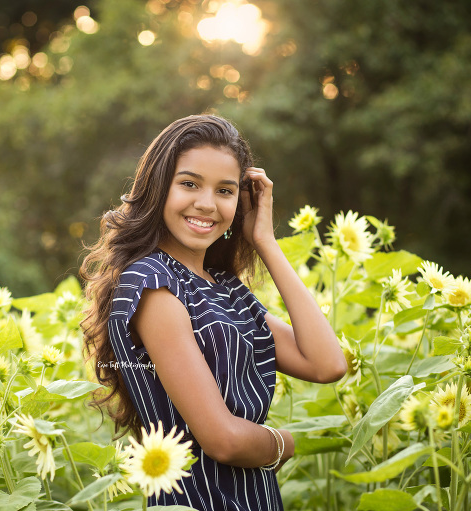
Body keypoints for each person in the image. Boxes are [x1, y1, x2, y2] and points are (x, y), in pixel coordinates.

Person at [80, 114, 347, 510]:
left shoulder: (223, 287)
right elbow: (224, 440)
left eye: (225, 190)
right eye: (189, 184)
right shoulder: (152, 284)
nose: (206, 204)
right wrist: (285, 443)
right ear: (158, 188)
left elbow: (328, 365)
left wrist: (266, 241)